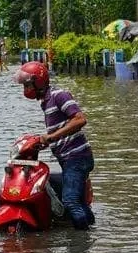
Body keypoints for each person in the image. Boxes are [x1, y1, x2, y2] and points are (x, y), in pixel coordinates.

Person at [13, 61, 95, 230]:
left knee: (70, 201)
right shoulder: (46, 101)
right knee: (78, 201)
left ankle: (82, 241)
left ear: (39, 82)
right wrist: (41, 143)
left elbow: (80, 119)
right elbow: (60, 130)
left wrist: (50, 137)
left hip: (77, 157)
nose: (25, 89)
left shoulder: (59, 95)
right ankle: (91, 228)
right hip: (68, 158)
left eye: (27, 85)